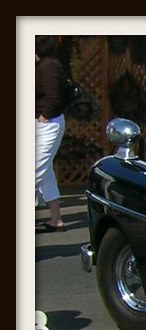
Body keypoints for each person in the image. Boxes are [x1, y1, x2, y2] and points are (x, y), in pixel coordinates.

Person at [35, 35, 68, 232]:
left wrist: (43, 117)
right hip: (41, 123)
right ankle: (56, 219)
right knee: (45, 171)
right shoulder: (43, 65)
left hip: (47, 124)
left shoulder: (49, 67)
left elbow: (54, 97)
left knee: (33, 170)